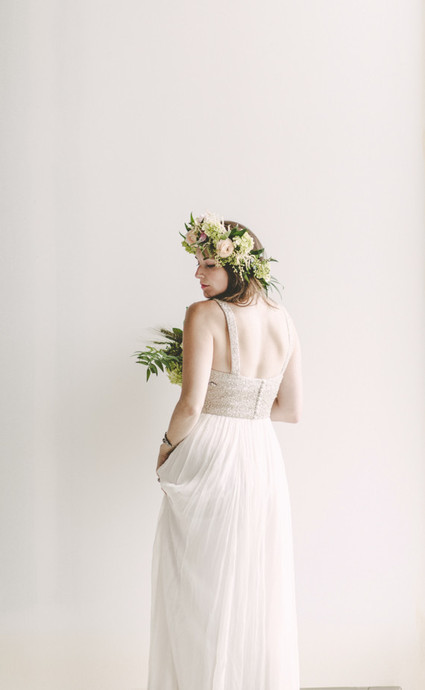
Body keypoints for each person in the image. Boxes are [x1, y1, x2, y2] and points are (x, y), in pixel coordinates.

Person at [146, 211, 303, 690]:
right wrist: (245, 405)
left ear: (238, 264)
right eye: (197, 263)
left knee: (197, 588)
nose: (198, 273)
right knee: (253, 586)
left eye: (209, 263)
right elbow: (291, 409)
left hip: (212, 453)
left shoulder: (203, 315)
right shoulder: (284, 319)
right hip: (261, 456)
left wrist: (167, 447)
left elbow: (191, 404)